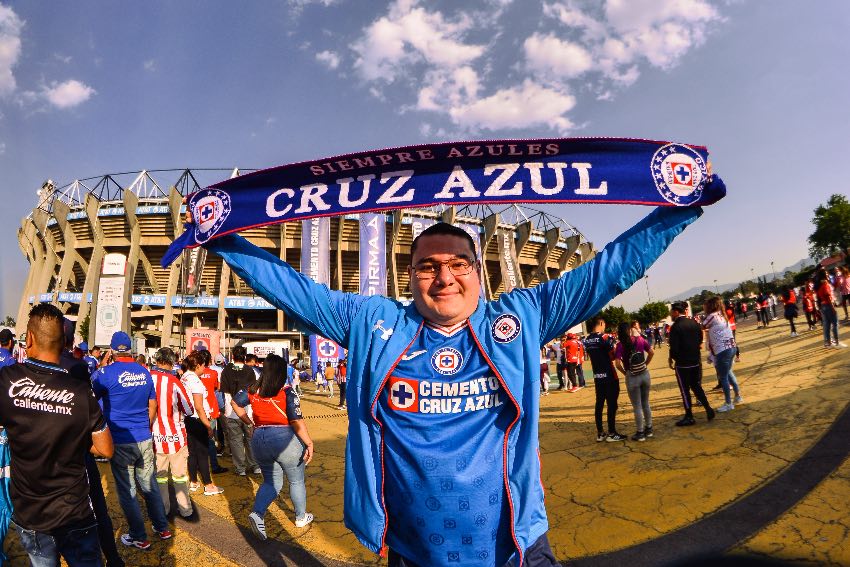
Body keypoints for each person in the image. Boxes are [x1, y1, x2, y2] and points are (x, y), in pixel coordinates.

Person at [196, 204, 702, 566]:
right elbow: (292, 288)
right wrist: (221, 237)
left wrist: (679, 210)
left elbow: (607, 272)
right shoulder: (372, 322)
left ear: (479, 273)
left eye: (459, 264)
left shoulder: (521, 317)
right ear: (408, 275)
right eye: (428, 267)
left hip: (516, 547)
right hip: (415, 549)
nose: (445, 277)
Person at [0, 304, 114, 566]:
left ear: (28, 338)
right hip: (73, 511)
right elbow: (106, 449)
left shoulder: (6, 381)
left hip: (30, 513)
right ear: (64, 343)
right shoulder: (80, 393)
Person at [91, 331, 171, 550]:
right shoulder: (144, 372)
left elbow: (90, 399)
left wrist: (102, 366)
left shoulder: (105, 373)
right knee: (149, 485)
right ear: (131, 349)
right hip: (144, 437)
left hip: (120, 439)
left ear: (113, 350)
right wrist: (145, 426)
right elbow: (153, 406)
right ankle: (161, 527)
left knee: (127, 491)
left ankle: (138, 535)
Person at [231, 354, 315, 539]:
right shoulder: (286, 391)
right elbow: (296, 420)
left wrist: (248, 421)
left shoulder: (252, 389)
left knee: (271, 482)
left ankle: (258, 513)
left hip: (259, 437)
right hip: (284, 438)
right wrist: (308, 442)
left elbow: (235, 403)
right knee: (296, 480)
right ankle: (301, 517)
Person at [151, 347, 196, 518]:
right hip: (175, 436)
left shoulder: (147, 378)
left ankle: (163, 509)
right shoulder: (176, 383)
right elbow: (189, 409)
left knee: (160, 476)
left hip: (154, 437)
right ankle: (185, 509)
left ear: (156, 360)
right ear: (172, 362)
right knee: (179, 476)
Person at [180, 352, 224, 496]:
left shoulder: (184, 377)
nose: (204, 368)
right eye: (203, 365)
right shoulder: (195, 381)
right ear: (198, 365)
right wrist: (207, 425)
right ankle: (208, 485)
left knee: (192, 452)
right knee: (203, 453)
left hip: (187, 419)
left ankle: (193, 481)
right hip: (198, 420)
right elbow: (199, 406)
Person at [669, 302, 715, 425]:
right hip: (695, 360)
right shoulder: (694, 323)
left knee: (685, 390)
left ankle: (689, 415)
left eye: (671, 312)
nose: (670, 314)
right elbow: (700, 338)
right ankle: (708, 408)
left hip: (683, 363)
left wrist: (672, 358)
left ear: (676, 312)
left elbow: (674, 347)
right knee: (696, 386)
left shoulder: (675, 327)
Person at [219, 346, 261, 476]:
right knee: (250, 439)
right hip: (247, 412)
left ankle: (240, 468)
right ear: (244, 356)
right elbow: (254, 392)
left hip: (231, 411)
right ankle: (254, 465)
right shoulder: (251, 371)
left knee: (235, 441)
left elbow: (225, 391)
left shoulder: (225, 370)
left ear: (232, 356)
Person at [584, 318, 625, 442]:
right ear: (601, 324)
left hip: (597, 376)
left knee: (599, 404)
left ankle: (600, 433)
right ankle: (612, 433)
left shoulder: (587, 340)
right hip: (609, 375)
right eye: (604, 325)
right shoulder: (605, 337)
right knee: (612, 404)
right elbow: (613, 355)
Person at [613, 321, 654, 442]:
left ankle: (640, 433)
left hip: (632, 377)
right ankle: (649, 429)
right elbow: (652, 352)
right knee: (646, 403)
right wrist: (645, 364)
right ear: (630, 330)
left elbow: (617, 363)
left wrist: (626, 372)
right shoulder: (640, 340)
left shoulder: (620, 345)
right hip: (645, 374)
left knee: (637, 406)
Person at [702, 297, 741, 413]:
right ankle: (738, 396)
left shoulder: (712, 316)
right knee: (729, 373)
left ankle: (728, 403)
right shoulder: (722, 315)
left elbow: (702, 326)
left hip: (722, 350)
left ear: (710, 306)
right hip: (731, 347)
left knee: (723, 377)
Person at [197, 349, 228, 474]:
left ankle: (199, 465)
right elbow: (217, 387)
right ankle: (214, 466)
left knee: (198, 439)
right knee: (210, 438)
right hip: (211, 409)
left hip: (197, 409)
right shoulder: (213, 373)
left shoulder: (194, 374)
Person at [815, 267, 846, 348]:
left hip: (823, 306)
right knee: (835, 324)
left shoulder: (819, 285)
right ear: (824, 276)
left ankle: (828, 343)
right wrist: (833, 308)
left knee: (827, 325)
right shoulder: (826, 284)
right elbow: (828, 296)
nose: (828, 275)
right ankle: (837, 342)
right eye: (826, 274)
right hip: (828, 305)